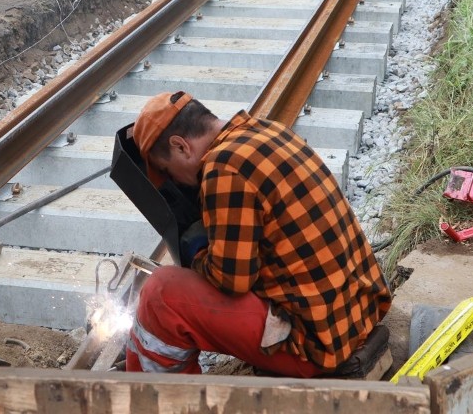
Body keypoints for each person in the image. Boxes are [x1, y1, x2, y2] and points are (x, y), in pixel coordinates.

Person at [125, 91, 391, 377]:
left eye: (168, 170)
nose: (175, 180)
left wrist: (199, 255)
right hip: (354, 316)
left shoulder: (223, 167)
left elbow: (231, 281)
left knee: (161, 294)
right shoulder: (267, 131)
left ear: (180, 146)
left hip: (316, 347)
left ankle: (164, 401)